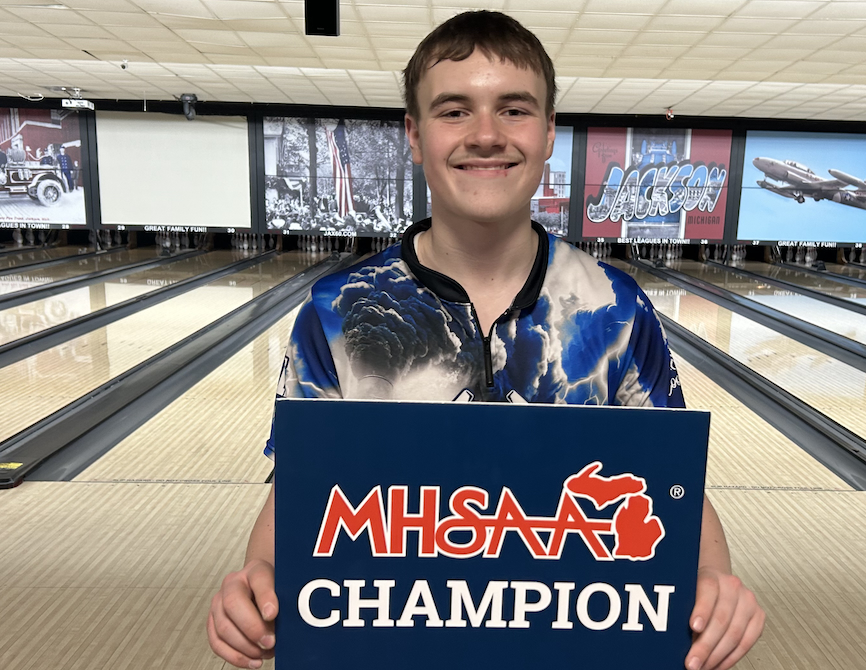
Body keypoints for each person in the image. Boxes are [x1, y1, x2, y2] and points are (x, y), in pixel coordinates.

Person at [207, 11, 764, 670]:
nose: (486, 135)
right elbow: (300, 498)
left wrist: (714, 588)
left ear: (550, 131)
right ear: (413, 135)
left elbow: (675, 493)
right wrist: (256, 584)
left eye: (514, 109)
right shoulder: (336, 312)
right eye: (453, 111)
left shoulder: (616, 308)